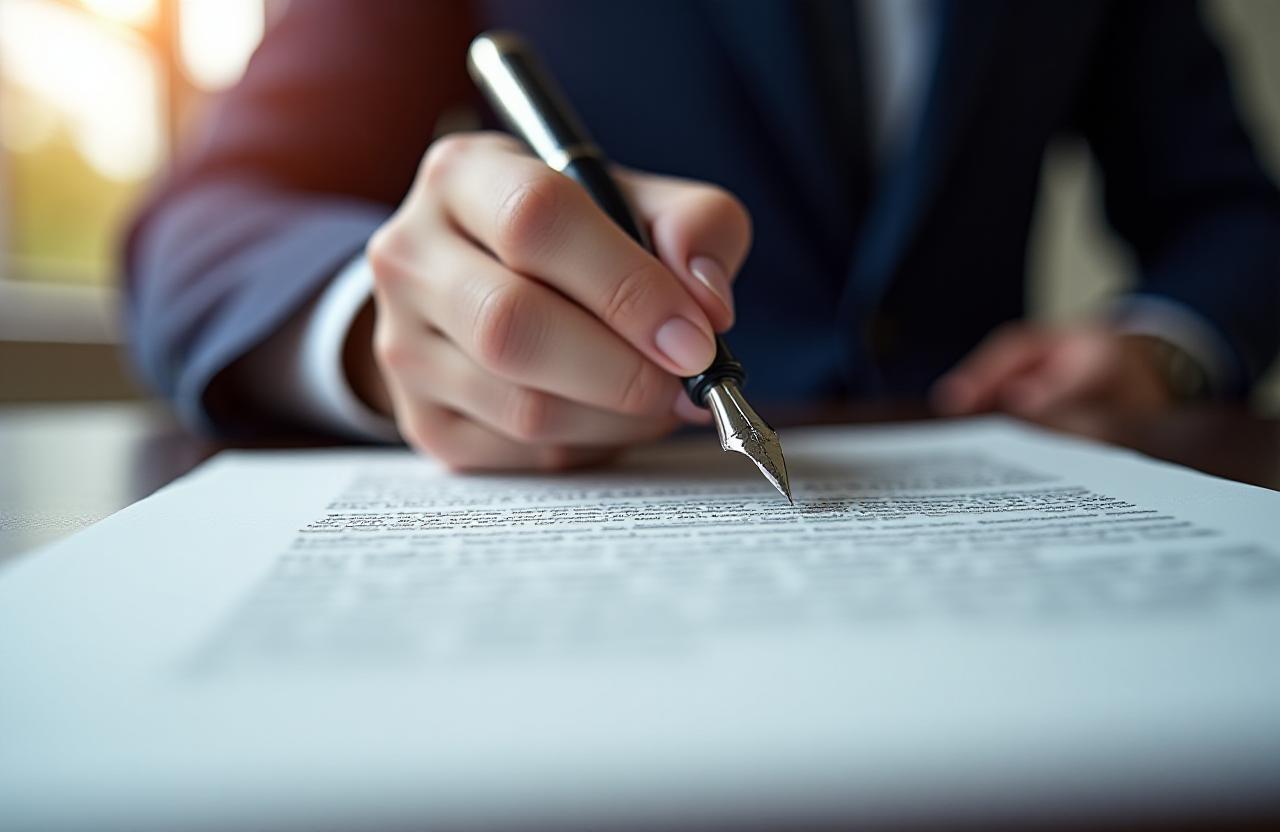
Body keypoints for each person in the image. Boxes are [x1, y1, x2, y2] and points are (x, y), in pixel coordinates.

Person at [125, 0, 1280, 470]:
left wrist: (1157, 344)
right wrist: (390, 325)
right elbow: (202, 222)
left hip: (999, 494)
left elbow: (1229, 213)